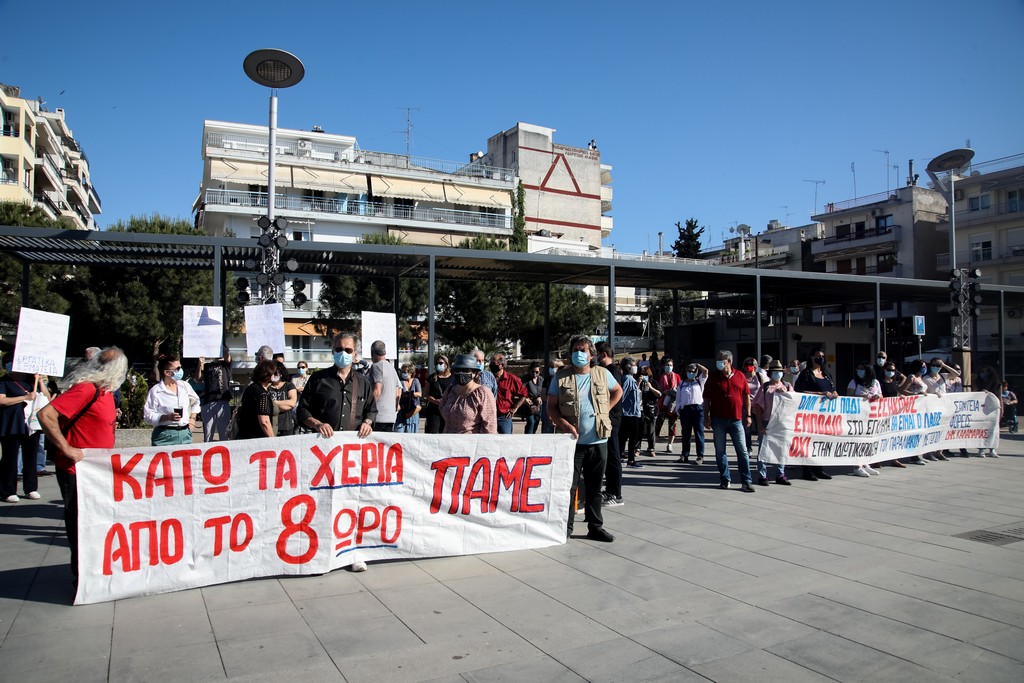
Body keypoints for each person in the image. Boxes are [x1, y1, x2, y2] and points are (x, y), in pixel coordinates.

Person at [37, 347, 128, 580]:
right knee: (79, 525)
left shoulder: (106, 393)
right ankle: (82, 577)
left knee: (97, 524)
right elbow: (45, 415)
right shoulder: (86, 389)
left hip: (96, 471)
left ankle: (95, 571)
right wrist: (66, 448)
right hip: (76, 470)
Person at [296, 332, 377, 572]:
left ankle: (352, 552)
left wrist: (368, 423)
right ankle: (322, 552)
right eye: (339, 349)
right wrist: (317, 423)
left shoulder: (362, 382)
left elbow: (371, 410)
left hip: (352, 455)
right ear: (332, 350)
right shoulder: (318, 379)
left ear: (356, 354)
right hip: (323, 455)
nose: (343, 353)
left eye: (348, 350)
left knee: (352, 502)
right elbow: (302, 412)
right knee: (322, 502)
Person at [548, 335, 622, 542]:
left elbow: (617, 391)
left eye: (582, 350)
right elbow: (551, 406)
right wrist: (564, 424)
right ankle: (566, 527)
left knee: (595, 487)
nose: (578, 354)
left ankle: (595, 526)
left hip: (598, 441)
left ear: (592, 355)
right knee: (569, 488)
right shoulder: (561, 377)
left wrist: (605, 410)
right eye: (575, 350)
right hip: (572, 443)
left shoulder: (603, 374)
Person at [703, 350, 755, 492]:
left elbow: (746, 397)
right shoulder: (713, 377)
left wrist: (748, 415)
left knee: (742, 451)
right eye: (717, 360)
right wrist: (706, 417)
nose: (718, 363)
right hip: (718, 419)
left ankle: (746, 480)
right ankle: (725, 479)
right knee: (720, 451)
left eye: (721, 360)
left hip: (736, 420)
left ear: (729, 362)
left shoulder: (740, 376)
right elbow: (706, 398)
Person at [793, 348, 838, 480]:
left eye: (823, 356)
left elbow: (832, 388)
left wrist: (834, 393)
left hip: (824, 415)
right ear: (812, 358)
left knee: (821, 442)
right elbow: (799, 391)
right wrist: (819, 394)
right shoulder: (806, 373)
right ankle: (808, 471)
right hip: (810, 414)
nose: (821, 358)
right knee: (809, 442)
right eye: (818, 356)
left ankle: (819, 469)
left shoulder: (826, 373)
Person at [1, 367, 44, 502]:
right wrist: (24, 397)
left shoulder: (31, 380)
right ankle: (8, 490)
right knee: (10, 457)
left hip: (31, 424)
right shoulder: (4, 381)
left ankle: (31, 488)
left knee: (31, 457)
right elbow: (2, 400)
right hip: (12, 423)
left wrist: (41, 381)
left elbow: (46, 397)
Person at [143, 356, 200, 447]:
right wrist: (167, 417)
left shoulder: (184, 386)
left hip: (185, 434)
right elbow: (148, 415)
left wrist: (192, 419)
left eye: (180, 367)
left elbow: (196, 402)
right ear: (167, 373)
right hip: (164, 436)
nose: (181, 370)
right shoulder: (156, 391)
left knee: (184, 461)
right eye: (177, 368)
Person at [752, 360, 792, 486]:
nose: (777, 374)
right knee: (764, 449)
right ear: (770, 373)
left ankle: (780, 474)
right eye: (775, 372)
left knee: (782, 449)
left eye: (779, 372)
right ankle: (762, 475)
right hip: (767, 421)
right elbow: (758, 406)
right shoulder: (765, 387)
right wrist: (759, 424)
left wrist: (785, 394)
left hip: (782, 421)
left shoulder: (787, 386)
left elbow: (793, 402)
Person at [595, 341, 624, 506]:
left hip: (611, 418)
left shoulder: (611, 371)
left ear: (603, 354)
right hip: (609, 417)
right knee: (607, 455)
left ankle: (616, 494)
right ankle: (610, 490)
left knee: (613, 455)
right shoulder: (609, 370)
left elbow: (616, 393)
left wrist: (605, 410)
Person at [441, 354, 497, 434]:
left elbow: (490, 426)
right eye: (458, 370)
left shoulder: (483, 393)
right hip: (448, 442)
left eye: (465, 370)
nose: (461, 373)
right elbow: (442, 410)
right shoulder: (450, 391)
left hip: (471, 443)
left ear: (475, 372)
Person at [847, 361, 882, 476]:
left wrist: (877, 397)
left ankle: (866, 464)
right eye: (858, 369)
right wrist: (862, 397)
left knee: (868, 441)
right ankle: (857, 466)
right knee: (858, 441)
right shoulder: (854, 382)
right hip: (858, 417)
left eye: (862, 369)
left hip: (871, 417)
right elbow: (849, 396)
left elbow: (881, 396)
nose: (860, 371)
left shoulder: (875, 383)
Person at [920, 357, 959, 461]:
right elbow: (924, 392)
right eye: (934, 365)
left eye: (938, 365)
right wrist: (932, 395)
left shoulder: (943, 376)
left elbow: (956, 374)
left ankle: (939, 452)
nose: (936, 367)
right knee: (931, 430)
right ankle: (927, 453)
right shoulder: (926, 378)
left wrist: (945, 365)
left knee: (943, 429)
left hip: (943, 406)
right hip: (932, 407)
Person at [675, 362, 708, 465]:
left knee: (699, 433)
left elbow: (706, 371)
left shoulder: (699, 381)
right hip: (686, 409)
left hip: (697, 409)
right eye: (689, 371)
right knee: (686, 433)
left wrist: (697, 365)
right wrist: (678, 409)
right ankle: (685, 454)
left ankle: (700, 455)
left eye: (692, 371)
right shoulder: (682, 384)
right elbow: (678, 398)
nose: (690, 373)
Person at [197, 348, 233, 442]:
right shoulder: (208, 365)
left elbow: (227, 356)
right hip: (208, 402)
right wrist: (200, 364)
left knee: (224, 434)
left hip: (222, 401)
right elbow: (198, 378)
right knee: (208, 434)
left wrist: (224, 348)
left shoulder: (226, 365)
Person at [236, 360, 277, 439]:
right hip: (257, 437)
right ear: (268, 375)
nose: (275, 376)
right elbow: (264, 421)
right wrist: (273, 439)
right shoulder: (262, 394)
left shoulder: (251, 388)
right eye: (274, 373)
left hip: (244, 435)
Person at [878, 360, 907, 467]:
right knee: (881, 437)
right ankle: (877, 460)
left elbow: (896, 394)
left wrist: (900, 396)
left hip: (893, 414)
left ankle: (894, 459)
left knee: (895, 436)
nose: (891, 372)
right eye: (889, 370)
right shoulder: (879, 383)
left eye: (893, 370)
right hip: (882, 413)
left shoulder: (894, 383)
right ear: (884, 370)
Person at [490, 353, 527, 434]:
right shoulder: (487, 378)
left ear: (502, 365)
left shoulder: (512, 379)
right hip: (489, 416)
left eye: (494, 363)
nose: (491, 365)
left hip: (504, 417)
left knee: (506, 442)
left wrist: (515, 407)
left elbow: (524, 393)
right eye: (490, 363)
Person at [369, 340, 401, 433]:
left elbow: (377, 391)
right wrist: (396, 406)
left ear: (372, 353)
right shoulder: (392, 368)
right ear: (385, 352)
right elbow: (398, 389)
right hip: (391, 416)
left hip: (379, 416)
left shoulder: (376, 366)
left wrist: (367, 407)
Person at [618, 357, 643, 473]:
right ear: (628, 367)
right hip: (629, 414)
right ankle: (630, 460)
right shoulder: (628, 379)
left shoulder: (632, 379)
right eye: (633, 364)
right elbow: (622, 395)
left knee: (630, 437)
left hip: (634, 413)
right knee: (631, 437)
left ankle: (624, 457)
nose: (635, 367)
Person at [654, 357, 681, 453]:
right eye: (667, 365)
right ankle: (652, 444)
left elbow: (679, 388)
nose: (669, 367)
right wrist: (664, 392)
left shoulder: (677, 376)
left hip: (673, 403)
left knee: (672, 425)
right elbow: (658, 389)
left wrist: (673, 392)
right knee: (658, 424)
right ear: (663, 366)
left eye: (670, 365)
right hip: (662, 403)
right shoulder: (660, 377)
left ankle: (669, 444)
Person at [423, 355, 452, 434]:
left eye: (441, 363)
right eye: (437, 363)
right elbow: (426, 393)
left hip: (447, 409)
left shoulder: (453, 378)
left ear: (446, 364)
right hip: (434, 409)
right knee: (433, 431)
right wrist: (435, 400)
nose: (439, 365)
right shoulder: (432, 378)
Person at [268, 360, 298, 436]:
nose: (274, 375)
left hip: (286, 426)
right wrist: (283, 404)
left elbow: (291, 403)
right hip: (270, 426)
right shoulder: (267, 387)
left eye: (276, 373)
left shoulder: (289, 385)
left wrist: (271, 403)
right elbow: (265, 406)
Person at [740, 357, 762, 456]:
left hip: (757, 405)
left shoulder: (759, 377)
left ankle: (761, 450)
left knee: (760, 428)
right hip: (745, 406)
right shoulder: (742, 377)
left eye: (752, 365)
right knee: (747, 430)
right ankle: (748, 448)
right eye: (748, 365)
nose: (750, 367)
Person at [638, 365, 662, 457]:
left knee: (651, 430)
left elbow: (659, 394)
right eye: (641, 374)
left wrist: (651, 387)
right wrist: (639, 382)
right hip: (640, 408)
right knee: (639, 429)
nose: (643, 376)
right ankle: (637, 448)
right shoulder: (638, 382)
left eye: (645, 374)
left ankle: (651, 448)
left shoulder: (653, 382)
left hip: (651, 408)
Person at [395, 362, 423, 433]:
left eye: (406, 372)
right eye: (402, 371)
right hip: (403, 411)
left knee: (412, 434)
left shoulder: (416, 381)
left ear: (411, 372)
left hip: (413, 411)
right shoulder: (400, 382)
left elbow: (420, 394)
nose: (404, 373)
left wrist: (410, 394)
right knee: (399, 431)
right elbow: (399, 394)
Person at [521, 362, 545, 434]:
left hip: (538, 405)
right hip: (529, 405)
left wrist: (540, 397)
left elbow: (544, 391)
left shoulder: (541, 379)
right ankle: (528, 438)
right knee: (531, 423)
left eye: (537, 372)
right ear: (529, 371)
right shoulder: (525, 379)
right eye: (533, 372)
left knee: (536, 423)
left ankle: (532, 436)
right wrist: (525, 398)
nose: (534, 374)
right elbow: (521, 390)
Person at [541, 359, 564, 434]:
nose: (551, 369)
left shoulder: (563, 380)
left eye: (553, 367)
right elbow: (542, 395)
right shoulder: (546, 380)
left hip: (561, 409)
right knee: (547, 432)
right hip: (548, 408)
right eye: (550, 367)